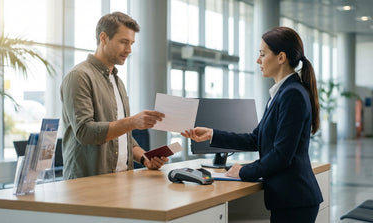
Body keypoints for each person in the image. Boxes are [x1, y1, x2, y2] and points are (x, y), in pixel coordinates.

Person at [182, 27, 323, 223]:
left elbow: (282, 155)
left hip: (295, 199)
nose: (258, 61)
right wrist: (212, 135)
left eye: (263, 54)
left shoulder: (292, 94)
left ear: (281, 57)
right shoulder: (281, 93)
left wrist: (243, 171)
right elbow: (256, 138)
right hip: (290, 199)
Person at [60, 12, 168, 180]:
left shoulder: (118, 82)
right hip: (87, 185)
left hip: (120, 181)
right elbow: (85, 132)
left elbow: (122, 136)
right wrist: (132, 122)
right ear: (104, 38)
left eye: (131, 43)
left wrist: (144, 157)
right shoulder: (79, 76)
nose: (129, 50)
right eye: (124, 42)